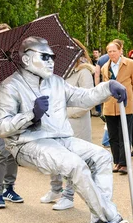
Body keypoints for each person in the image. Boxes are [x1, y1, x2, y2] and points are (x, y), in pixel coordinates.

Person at [0, 36, 133, 223]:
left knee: (102, 156)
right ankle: (111, 218)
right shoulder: (9, 87)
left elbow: (83, 97)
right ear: (26, 60)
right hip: (27, 143)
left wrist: (108, 87)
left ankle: (98, 222)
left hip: (61, 139)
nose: (51, 61)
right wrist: (30, 115)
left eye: (52, 56)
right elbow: (0, 127)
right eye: (44, 57)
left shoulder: (56, 82)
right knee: (75, 165)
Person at [41, 38, 97, 210]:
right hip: (56, 124)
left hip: (75, 124)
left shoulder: (84, 72)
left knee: (72, 162)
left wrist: (66, 114)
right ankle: (55, 189)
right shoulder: (58, 73)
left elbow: (88, 100)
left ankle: (69, 195)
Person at [0, 23, 25, 209]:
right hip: (1, 112)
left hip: (18, 112)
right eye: (2, 35)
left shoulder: (19, 58)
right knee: (1, 151)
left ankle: (9, 187)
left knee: (13, 151)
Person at [101, 40, 133, 175]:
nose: (111, 54)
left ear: (120, 51)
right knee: (112, 136)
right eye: (109, 51)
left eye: (114, 51)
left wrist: (129, 97)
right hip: (109, 106)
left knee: (124, 134)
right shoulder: (105, 67)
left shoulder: (130, 64)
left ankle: (124, 163)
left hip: (125, 106)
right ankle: (117, 161)